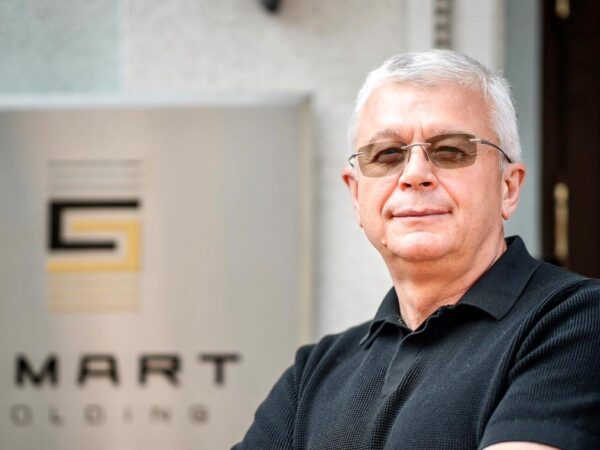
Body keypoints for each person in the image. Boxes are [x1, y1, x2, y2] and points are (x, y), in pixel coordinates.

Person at [233, 50, 600, 449]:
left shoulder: (578, 321)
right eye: (387, 154)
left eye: (450, 150)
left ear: (507, 188)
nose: (414, 174)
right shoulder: (311, 375)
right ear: (356, 195)